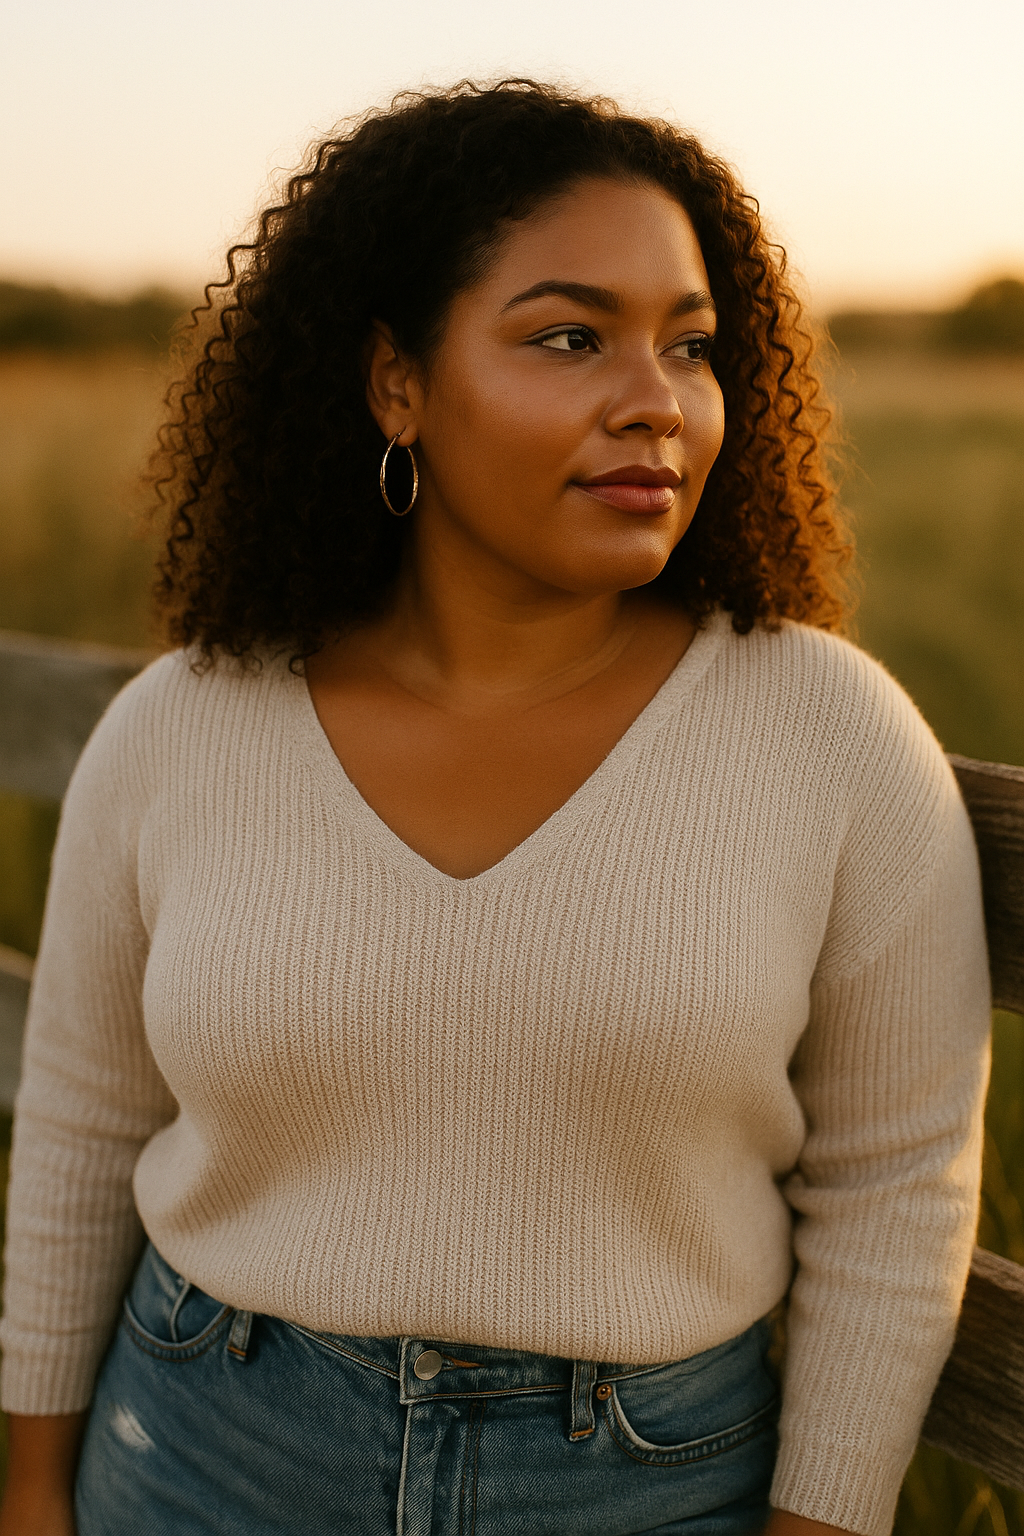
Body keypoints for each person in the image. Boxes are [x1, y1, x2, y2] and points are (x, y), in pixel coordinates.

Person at [0, 81, 990, 1536]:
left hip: (643, 1491)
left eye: (693, 346)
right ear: (398, 383)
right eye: (569, 336)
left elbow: (899, 1187)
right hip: (204, 1456)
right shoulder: (186, 728)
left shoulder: (829, 740)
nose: (654, 398)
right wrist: (31, 1490)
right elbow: (84, 1123)